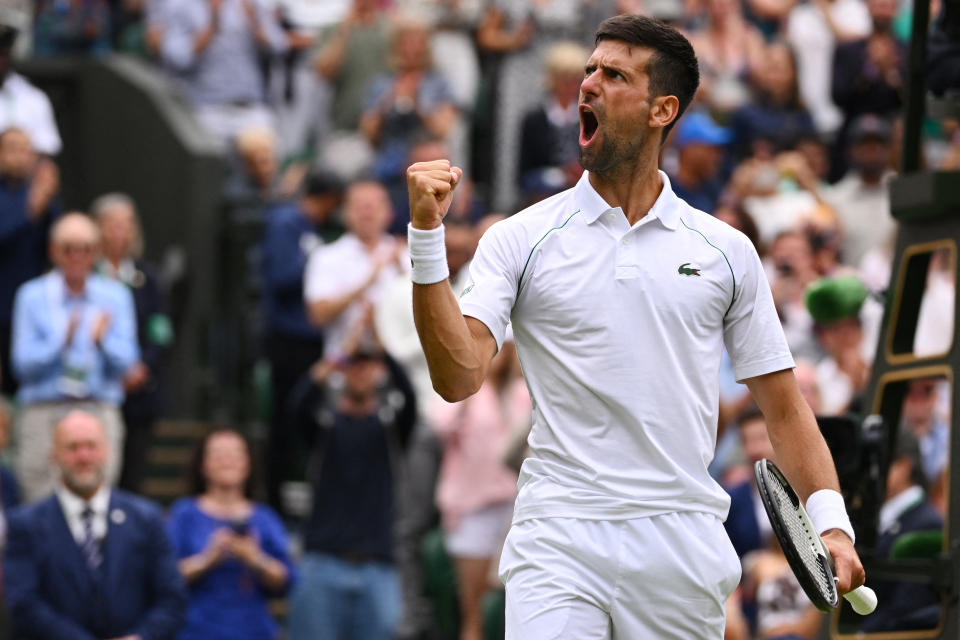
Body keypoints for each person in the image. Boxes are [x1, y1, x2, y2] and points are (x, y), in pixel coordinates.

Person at [405, 14, 865, 638]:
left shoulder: (725, 250)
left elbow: (784, 410)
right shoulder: (518, 239)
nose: (587, 84)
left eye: (614, 75)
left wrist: (832, 524)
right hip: (559, 533)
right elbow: (457, 376)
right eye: (589, 69)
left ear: (661, 110)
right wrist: (427, 241)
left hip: (680, 542)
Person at [3, 409, 186, 639]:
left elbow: (172, 598)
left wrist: (141, 636)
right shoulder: (25, 524)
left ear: (107, 451)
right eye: (72, 447)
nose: (83, 456)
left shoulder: (146, 518)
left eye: (91, 446)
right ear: (53, 456)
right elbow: (23, 604)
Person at [286, 348, 417, 640]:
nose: (360, 373)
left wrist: (384, 352)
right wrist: (337, 353)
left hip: (378, 567)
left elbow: (411, 398)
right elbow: (297, 404)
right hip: (321, 563)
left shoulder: (391, 430)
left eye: (367, 366)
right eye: (352, 366)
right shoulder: (322, 428)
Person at [11, 212, 139, 502]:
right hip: (44, 410)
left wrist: (101, 340)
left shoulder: (115, 295)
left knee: (97, 503)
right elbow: (21, 365)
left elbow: (128, 362)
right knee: (39, 503)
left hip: (98, 408)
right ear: (53, 251)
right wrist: (61, 341)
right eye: (69, 248)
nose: (77, 256)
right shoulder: (31, 295)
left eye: (86, 249)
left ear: (96, 252)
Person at [430, 339, 530, 640]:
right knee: (475, 611)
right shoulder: (468, 393)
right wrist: (476, 380)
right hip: (473, 509)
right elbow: (440, 425)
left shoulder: (522, 392)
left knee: (508, 611)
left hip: (515, 510)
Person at [260, 170, 343, 513]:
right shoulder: (287, 223)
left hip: (312, 340)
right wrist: (318, 260)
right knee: (284, 418)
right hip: (288, 337)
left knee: (310, 418)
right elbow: (280, 276)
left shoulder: (312, 230)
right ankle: (273, 502)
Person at [166, 428, 294, 640]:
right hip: (195, 630)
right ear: (202, 464)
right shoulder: (183, 514)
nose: (227, 461)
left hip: (253, 631)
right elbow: (164, 576)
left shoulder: (265, 517)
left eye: (235, 454)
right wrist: (207, 560)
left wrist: (255, 559)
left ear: (248, 463)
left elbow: (286, 580)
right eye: (218, 454)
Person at [92, 193, 173, 494]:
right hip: (97, 389)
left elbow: (161, 332)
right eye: (113, 224)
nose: (121, 232)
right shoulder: (86, 276)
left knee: (133, 474)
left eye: (128, 225)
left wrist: (141, 369)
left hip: (139, 390)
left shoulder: (147, 277)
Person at [304, 179, 406, 360]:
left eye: (374, 206)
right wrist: (365, 284)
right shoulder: (325, 256)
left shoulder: (406, 255)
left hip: (399, 367)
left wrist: (403, 273)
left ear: (389, 213)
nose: (367, 213)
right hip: (342, 366)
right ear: (345, 213)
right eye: (359, 206)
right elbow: (317, 316)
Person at [0, 127, 61, 397]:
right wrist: (35, 203)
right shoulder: (34, 197)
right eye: (11, 148)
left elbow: (60, 243)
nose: (19, 156)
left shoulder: (43, 196)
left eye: (25, 150)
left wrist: (44, 199)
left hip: (32, 312)